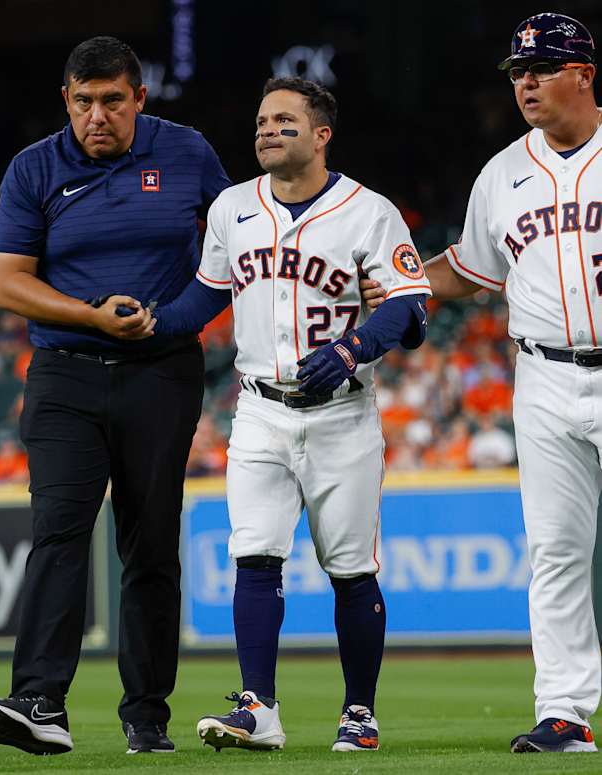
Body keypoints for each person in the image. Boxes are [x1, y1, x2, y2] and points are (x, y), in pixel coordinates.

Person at [151, 76, 431, 752]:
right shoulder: (232, 206)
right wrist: (151, 321)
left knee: (351, 568)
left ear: (321, 134)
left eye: (284, 120)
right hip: (259, 409)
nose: (267, 130)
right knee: (254, 554)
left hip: (342, 412)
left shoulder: (368, 210)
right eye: (261, 121)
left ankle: (359, 711)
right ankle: (259, 708)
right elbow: (206, 296)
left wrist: (354, 346)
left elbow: (408, 301)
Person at [0, 36, 230, 755]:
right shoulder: (34, 167)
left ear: (139, 98)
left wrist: (175, 317)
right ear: (65, 100)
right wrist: (91, 315)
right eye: (84, 101)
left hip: (162, 370)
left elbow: (238, 245)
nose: (98, 116)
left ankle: (146, 717)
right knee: (58, 530)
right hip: (65, 373)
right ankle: (39, 701)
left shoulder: (186, 152)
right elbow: (9, 283)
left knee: (150, 542)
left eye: (113, 101)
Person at [364, 11, 601, 754]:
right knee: (556, 550)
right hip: (544, 374)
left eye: (542, 68)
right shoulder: (502, 174)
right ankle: (564, 711)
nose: (525, 82)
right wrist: (402, 283)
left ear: (584, 74)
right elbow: (469, 270)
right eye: (518, 71)